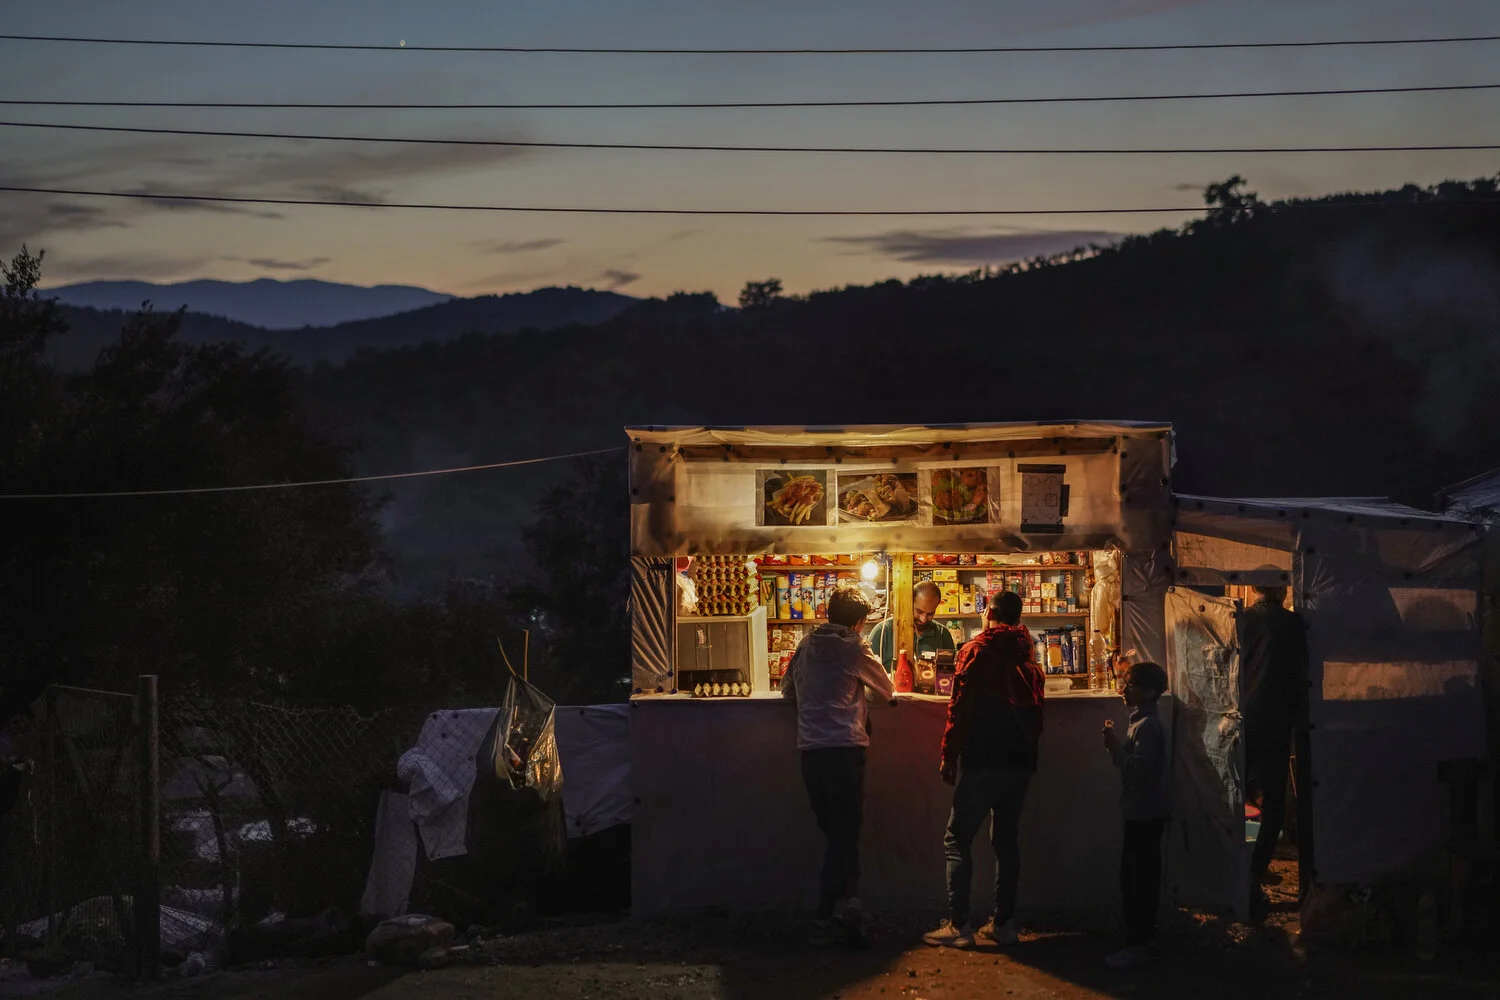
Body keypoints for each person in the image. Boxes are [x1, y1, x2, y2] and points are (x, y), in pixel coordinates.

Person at [923, 590, 1045, 949]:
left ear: (988, 614)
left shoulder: (975, 651)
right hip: (1021, 760)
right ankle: (1004, 924)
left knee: (957, 838)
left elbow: (959, 707)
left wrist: (949, 754)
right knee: (1006, 841)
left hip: (985, 758)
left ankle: (960, 926)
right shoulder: (1028, 652)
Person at [781, 583, 897, 947]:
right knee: (845, 834)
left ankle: (851, 905)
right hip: (845, 751)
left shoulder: (804, 646)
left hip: (811, 752)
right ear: (860, 624)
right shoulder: (856, 647)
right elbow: (888, 690)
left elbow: (787, 692)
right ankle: (824, 913)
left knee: (837, 833)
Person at [1238, 582, 1307, 898]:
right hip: (1276, 719)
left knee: (1236, 794)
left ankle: (1236, 871)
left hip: (1240, 716)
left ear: (1252, 587)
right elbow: (1299, 675)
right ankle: (1254, 874)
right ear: (1283, 590)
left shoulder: (1240, 619)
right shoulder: (1293, 622)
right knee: (1274, 804)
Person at [1101, 660, 1171, 970]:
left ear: (1150, 692)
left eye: (1130, 685)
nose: (1124, 689)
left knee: (1136, 879)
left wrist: (1115, 747)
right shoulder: (1142, 722)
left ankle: (1137, 943)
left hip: (1144, 813)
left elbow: (1136, 771)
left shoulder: (1148, 727)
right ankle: (1141, 937)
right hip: (1144, 810)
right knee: (1138, 875)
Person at [869, 580, 956, 672]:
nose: (924, 619)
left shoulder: (943, 634)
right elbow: (868, 673)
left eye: (930, 614)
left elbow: (949, 675)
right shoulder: (882, 631)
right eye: (919, 611)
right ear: (909, 604)